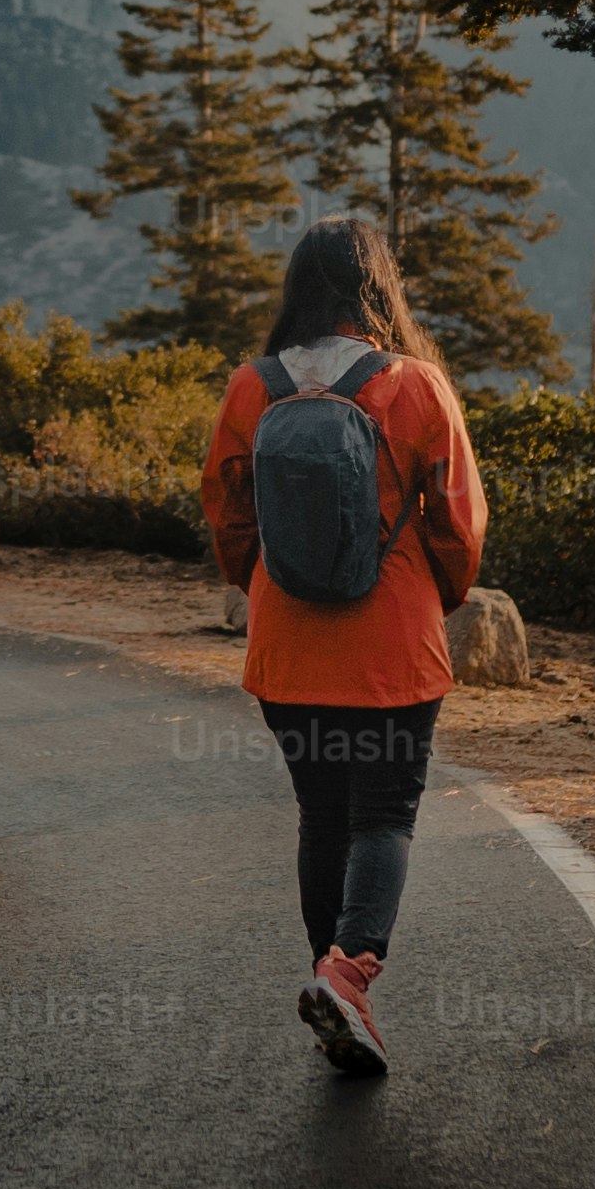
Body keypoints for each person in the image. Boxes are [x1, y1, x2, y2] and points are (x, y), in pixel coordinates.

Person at [200, 213, 485, 1078]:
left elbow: (225, 510)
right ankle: (348, 974)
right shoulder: (415, 385)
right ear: (377, 287)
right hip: (391, 643)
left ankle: (333, 982)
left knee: (322, 815)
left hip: (285, 646)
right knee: (382, 816)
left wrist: (259, 579)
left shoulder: (251, 387)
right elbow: (459, 521)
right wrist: (440, 591)